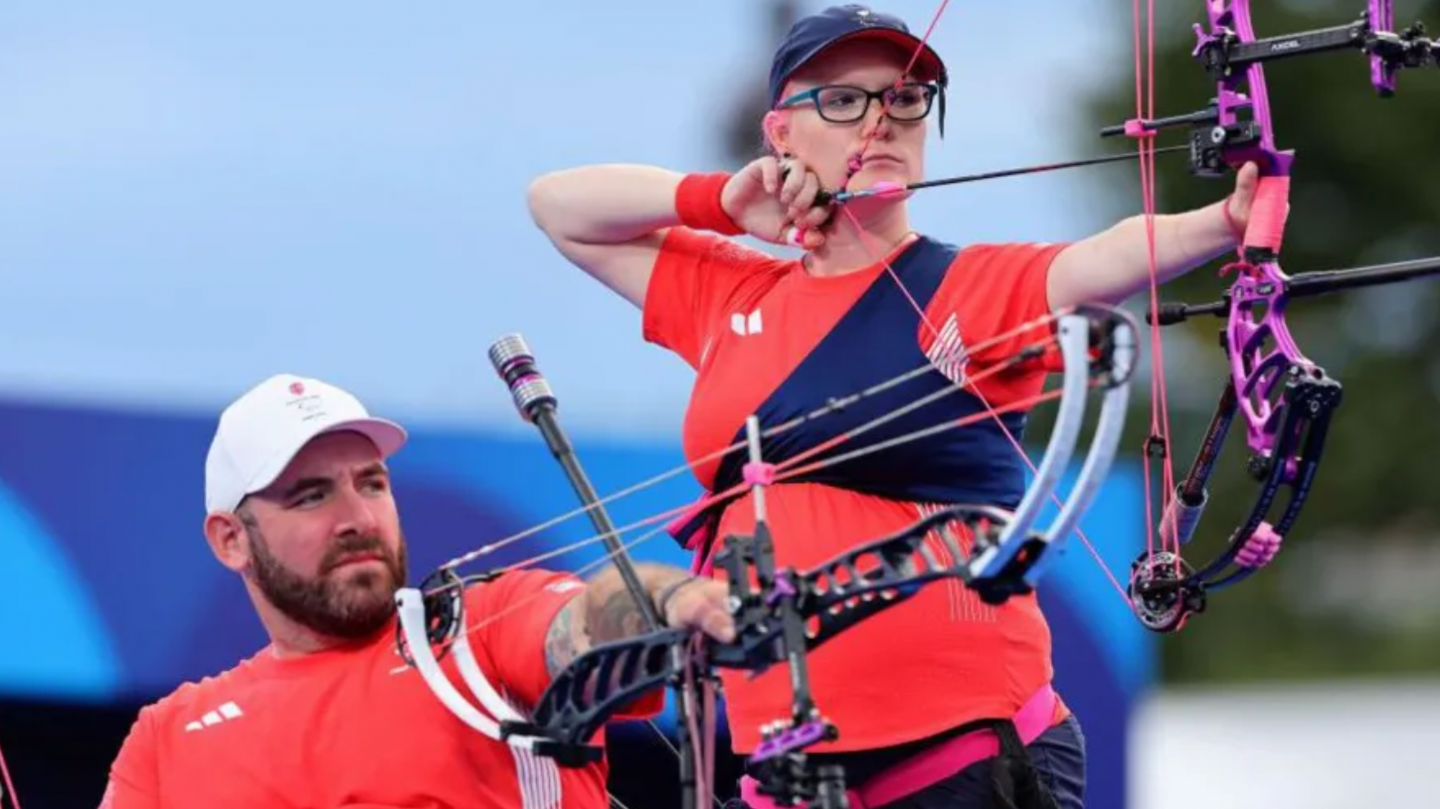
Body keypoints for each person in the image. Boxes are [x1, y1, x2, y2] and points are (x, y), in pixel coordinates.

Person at [526, 4, 1259, 808]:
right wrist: (720, 202)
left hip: (963, 766)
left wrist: (1227, 220)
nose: (880, 119)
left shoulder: (967, 289)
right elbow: (559, 206)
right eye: (843, 100)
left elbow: (1103, 257)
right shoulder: (732, 291)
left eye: (906, 98)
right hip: (792, 775)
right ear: (781, 133)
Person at [101, 373, 736, 809]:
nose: (358, 517)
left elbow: (595, 620)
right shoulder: (167, 738)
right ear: (230, 539)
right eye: (312, 495)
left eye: (372, 483)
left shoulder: (474, 633)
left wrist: (669, 598)